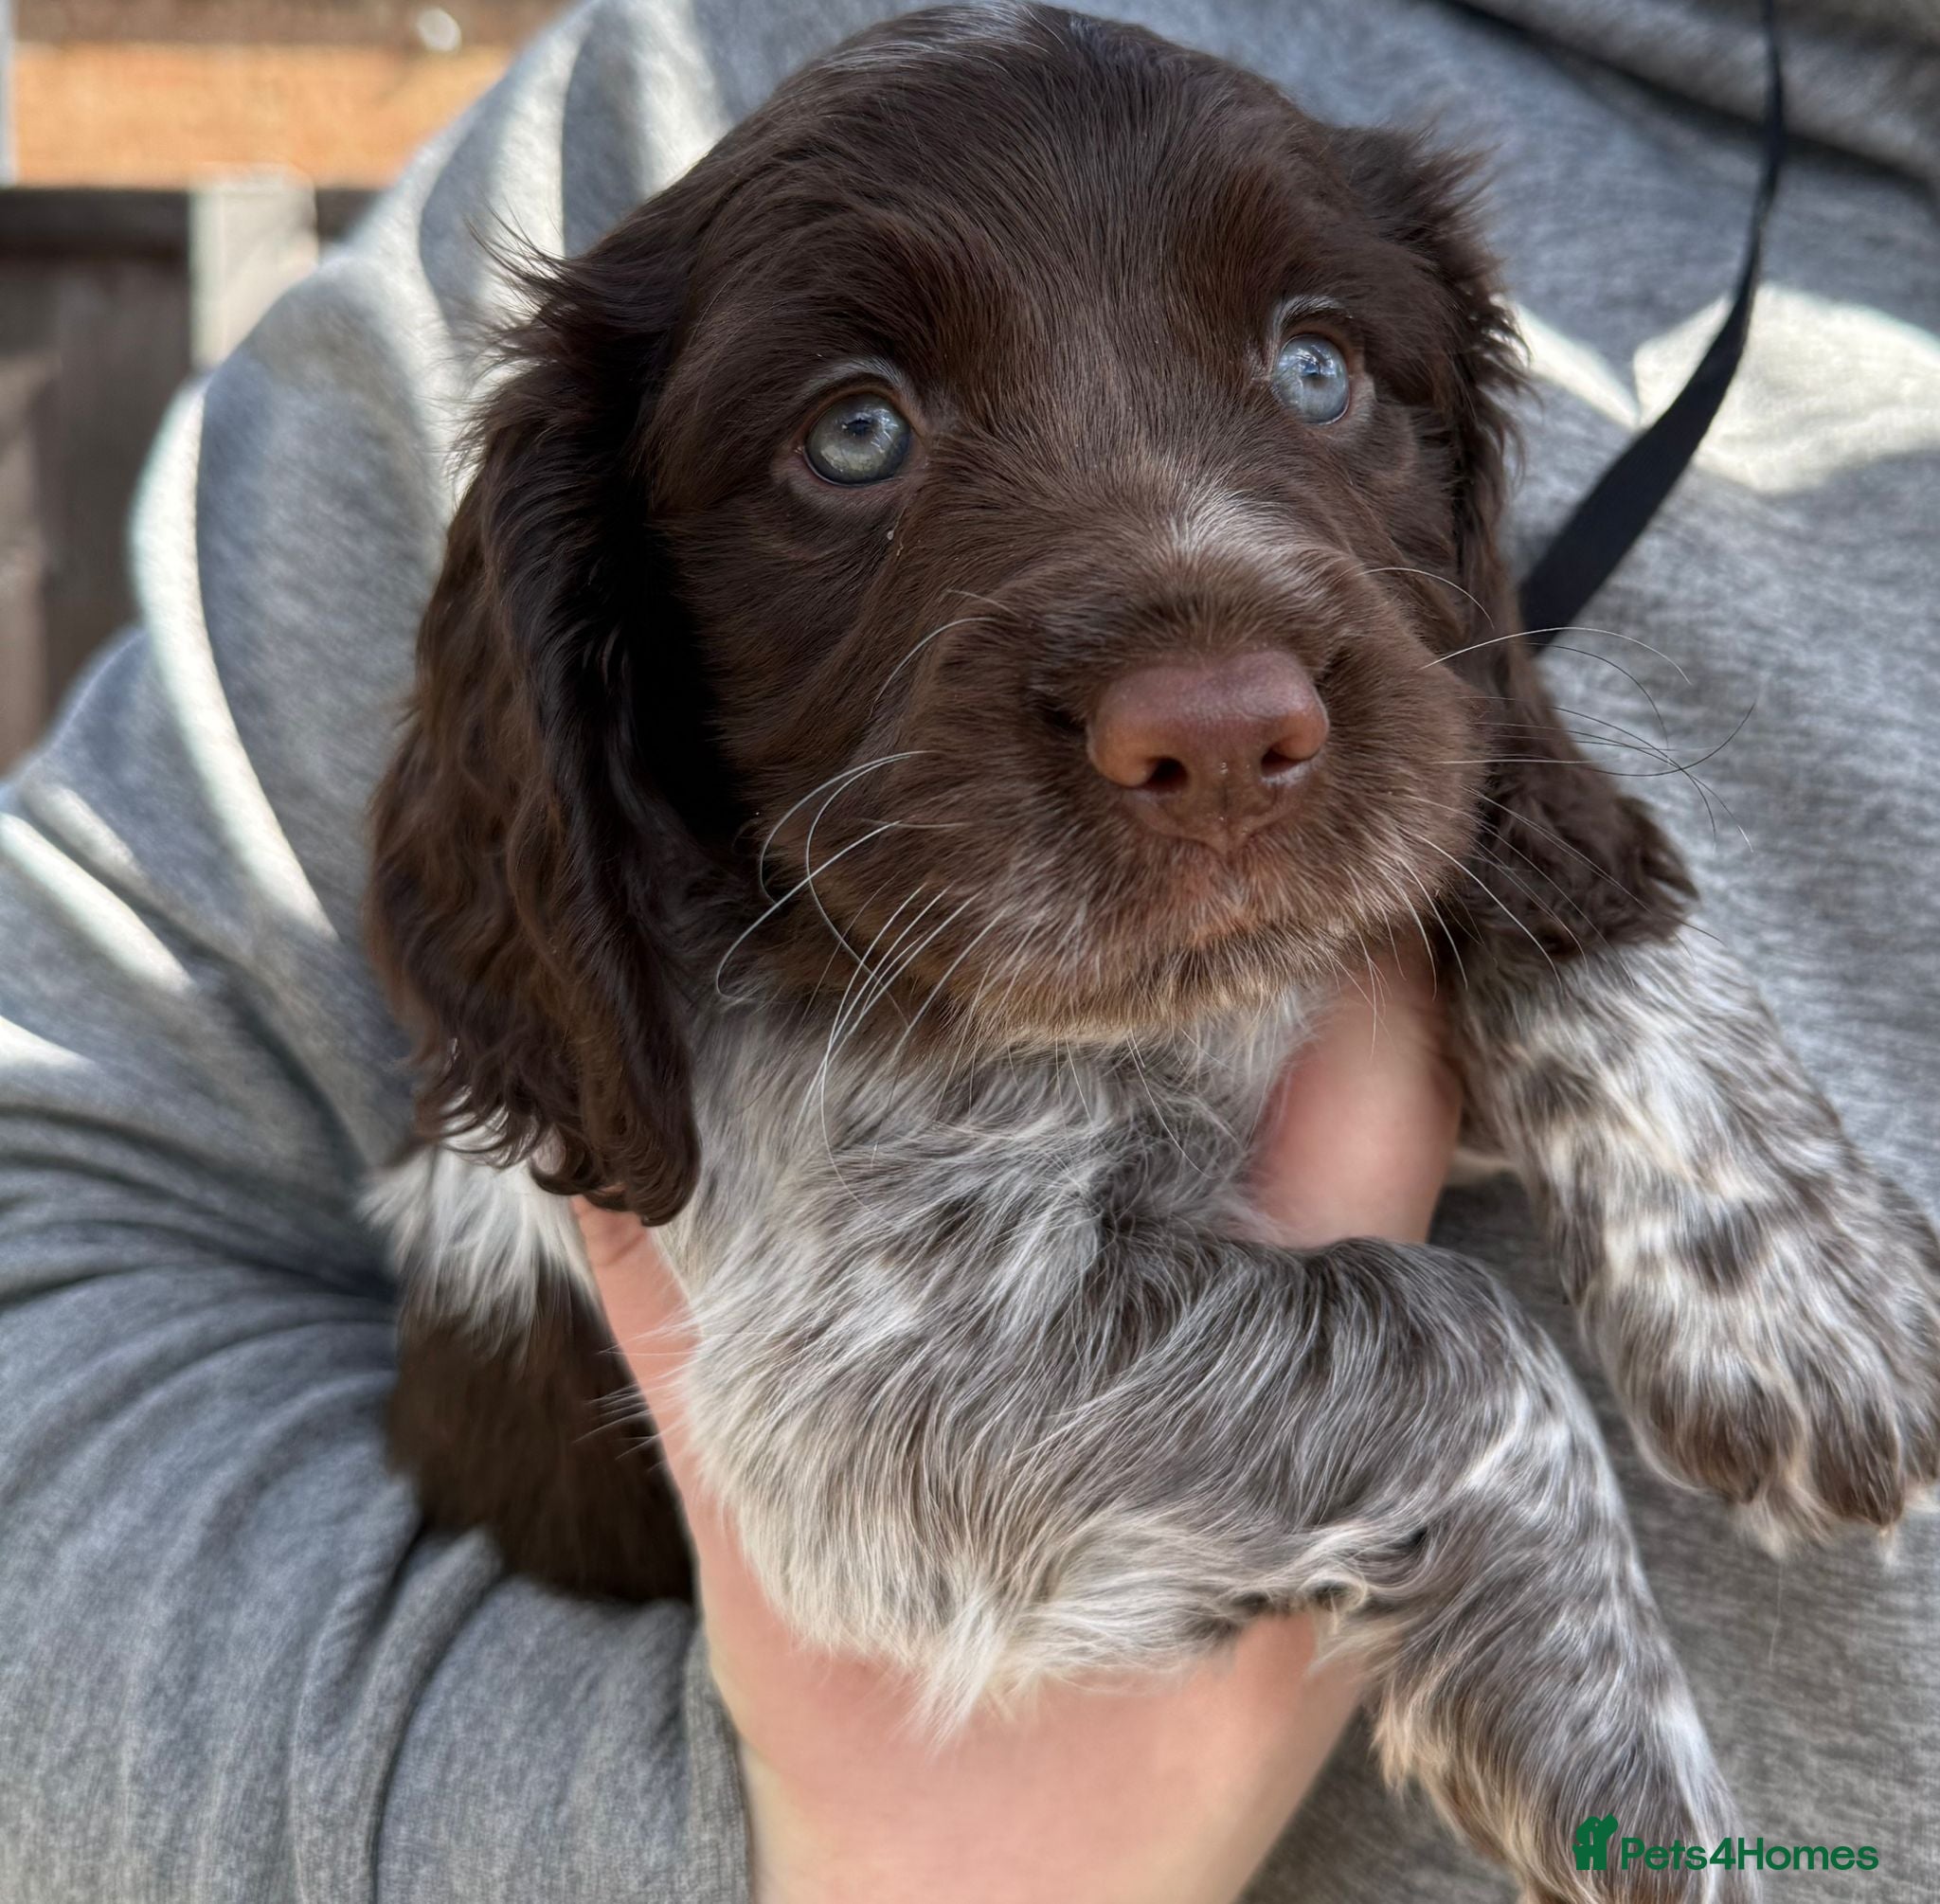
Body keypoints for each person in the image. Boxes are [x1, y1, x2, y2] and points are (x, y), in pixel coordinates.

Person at [0, 2, 1934, 1900]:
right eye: (855, 435)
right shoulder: (687, 78)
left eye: (1316, 369)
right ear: (611, 619)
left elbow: (1489, 740)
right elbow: (70, 1199)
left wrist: (1625, 1010)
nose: (1217, 703)